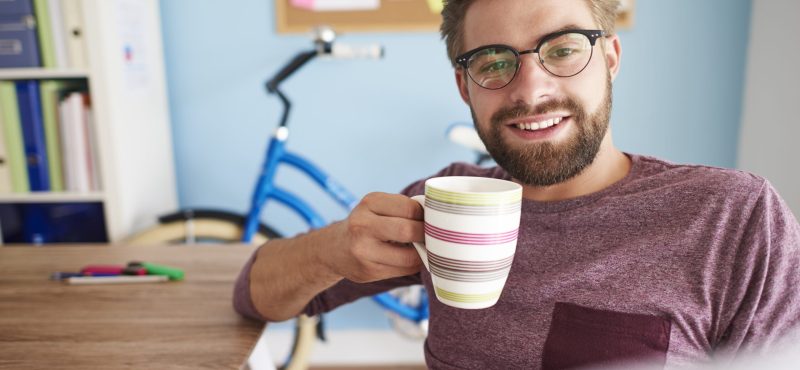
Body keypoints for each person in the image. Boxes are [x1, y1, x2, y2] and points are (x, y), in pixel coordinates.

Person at [233, 0, 800, 368]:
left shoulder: (732, 216)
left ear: (611, 58)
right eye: (494, 61)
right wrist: (332, 250)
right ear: (464, 87)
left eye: (562, 50)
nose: (529, 90)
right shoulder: (441, 200)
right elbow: (254, 295)